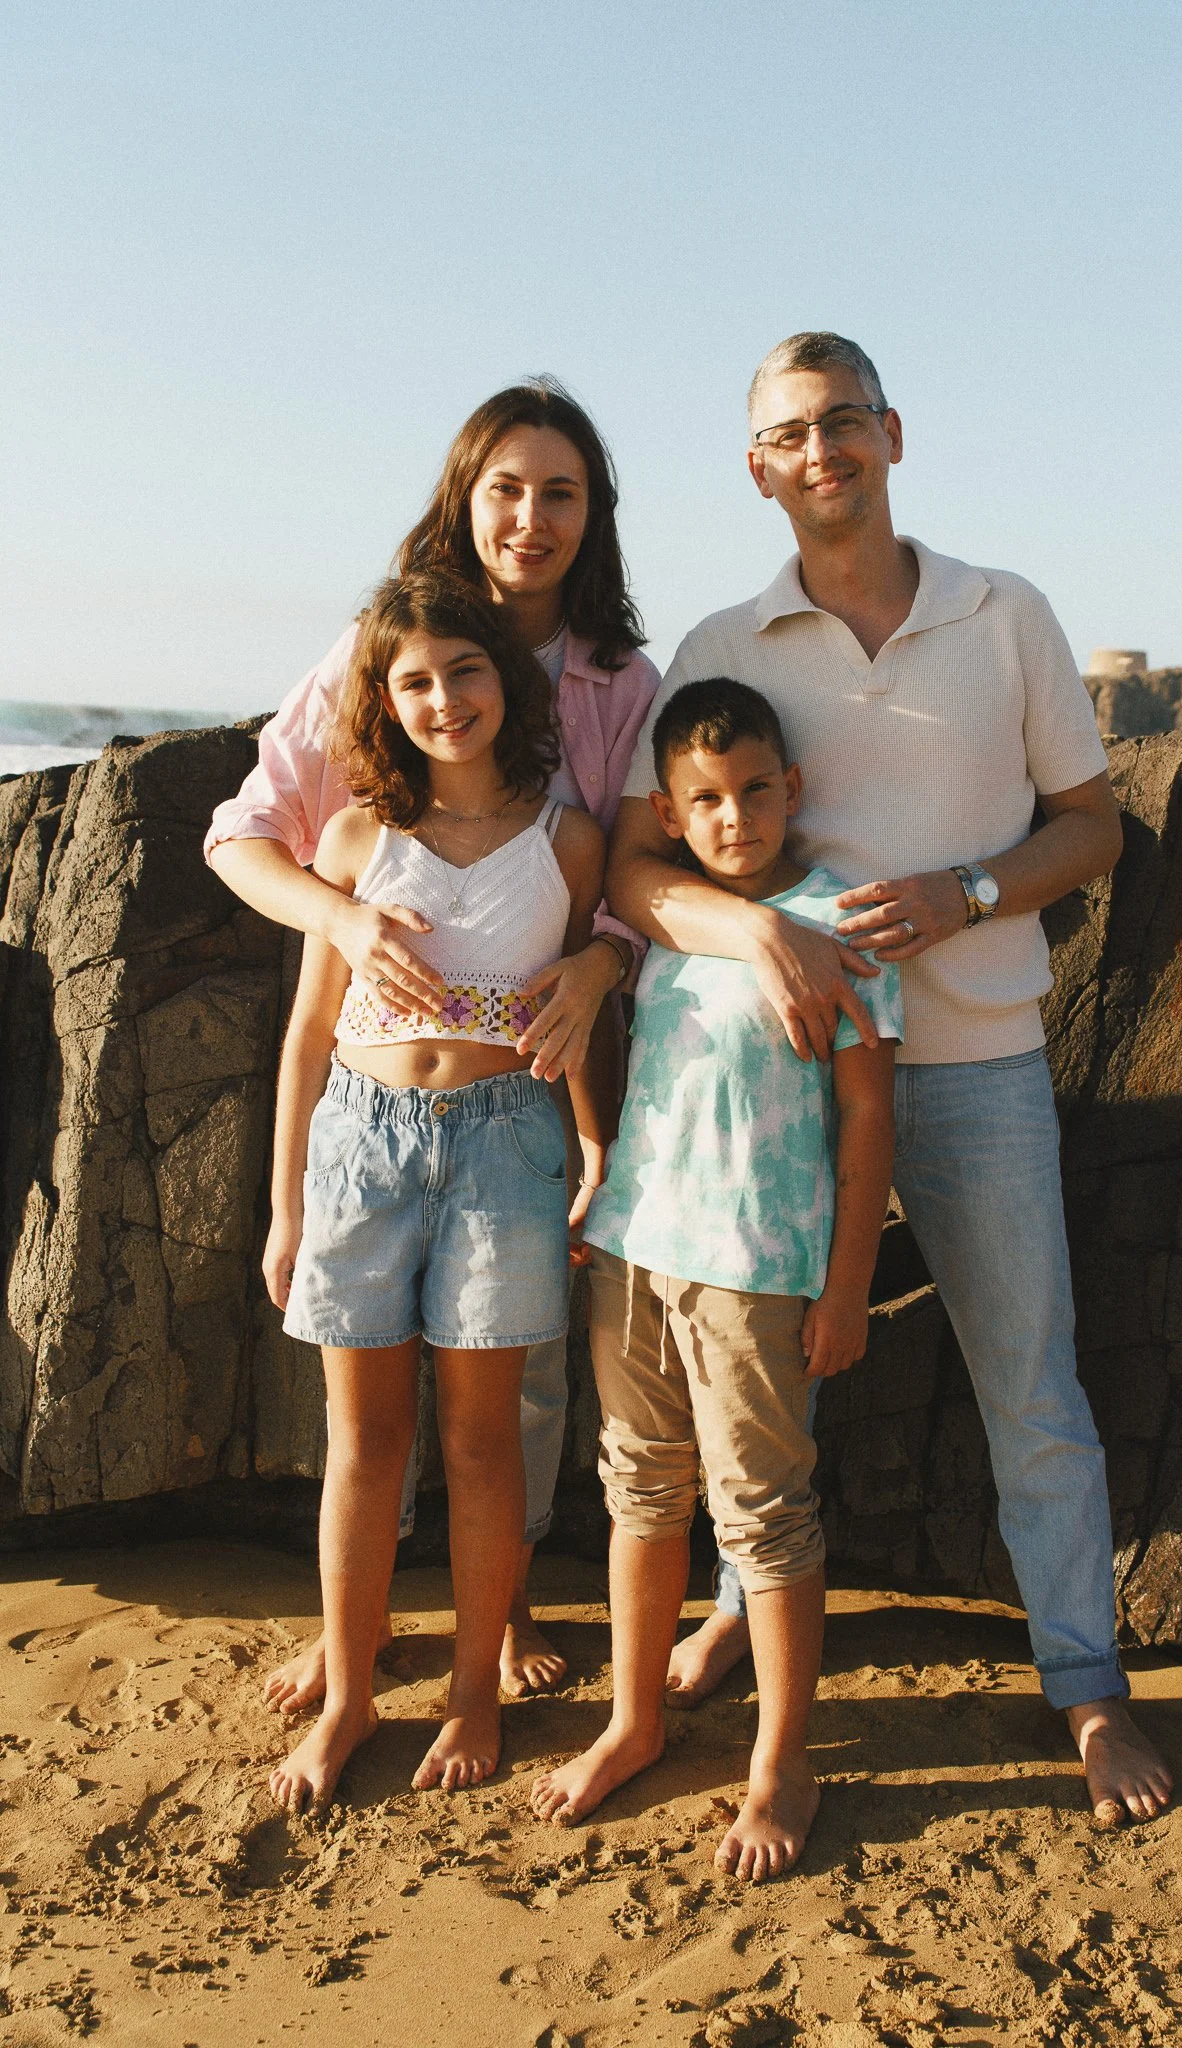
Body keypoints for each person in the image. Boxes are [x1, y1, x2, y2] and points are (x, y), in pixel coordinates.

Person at [606, 332, 1174, 1827]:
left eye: (841, 422)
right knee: (758, 1378)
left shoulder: (1006, 614)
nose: (818, 453)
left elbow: (1092, 826)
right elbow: (634, 860)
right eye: (787, 435)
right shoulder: (722, 644)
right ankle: (739, 1599)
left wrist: (963, 894)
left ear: (890, 433)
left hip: (976, 1059)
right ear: (755, 469)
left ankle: (1085, 1689)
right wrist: (756, 937)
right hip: (783, 1089)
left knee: (1029, 1385)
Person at [206, 381, 658, 1707]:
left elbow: (635, 873)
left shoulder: (617, 682)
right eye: (504, 487)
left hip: (530, 1073)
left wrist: (599, 960)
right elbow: (246, 833)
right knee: (366, 1414)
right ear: (462, 497)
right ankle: (358, 1638)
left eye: (560, 490)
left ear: (594, 515)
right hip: (373, 1081)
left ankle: (493, 1620)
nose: (530, 517)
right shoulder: (381, 650)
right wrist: (342, 918)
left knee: (502, 1396)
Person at [532, 679, 900, 1879]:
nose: (733, 815)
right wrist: (601, 1179)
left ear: (791, 789)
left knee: (764, 1514)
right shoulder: (670, 918)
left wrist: (846, 1284)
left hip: (755, 1266)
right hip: (636, 1244)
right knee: (638, 1488)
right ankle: (634, 1719)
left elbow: (865, 1112)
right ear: (671, 814)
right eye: (705, 799)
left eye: (753, 790)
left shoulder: (835, 918)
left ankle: (780, 1761)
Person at [263, 569, 616, 1813]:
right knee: (364, 1441)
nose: (441, 698)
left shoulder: (567, 837)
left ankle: (474, 1687)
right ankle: (353, 1690)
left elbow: (581, 1015)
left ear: (503, 680)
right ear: (380, 698)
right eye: (411, 680)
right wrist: (284, 1205)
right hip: (359, 1140)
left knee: (479, 1438)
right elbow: (308, 1031)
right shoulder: (356, 837)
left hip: (505, 1141)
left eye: (463, 670)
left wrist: (591, 1149)